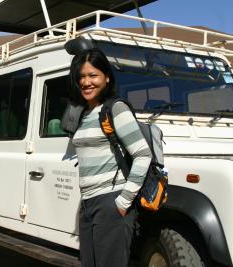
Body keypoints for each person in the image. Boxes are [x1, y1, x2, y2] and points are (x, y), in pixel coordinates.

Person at [68, 48, 152, 267]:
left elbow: (143, 154)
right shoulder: (84, 113)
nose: (86, 82)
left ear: (106, 77)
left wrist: (123, 202)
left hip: (110, 201)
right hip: (88, 204)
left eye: (93, 75)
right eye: (82, 76)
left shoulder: (116, 109)